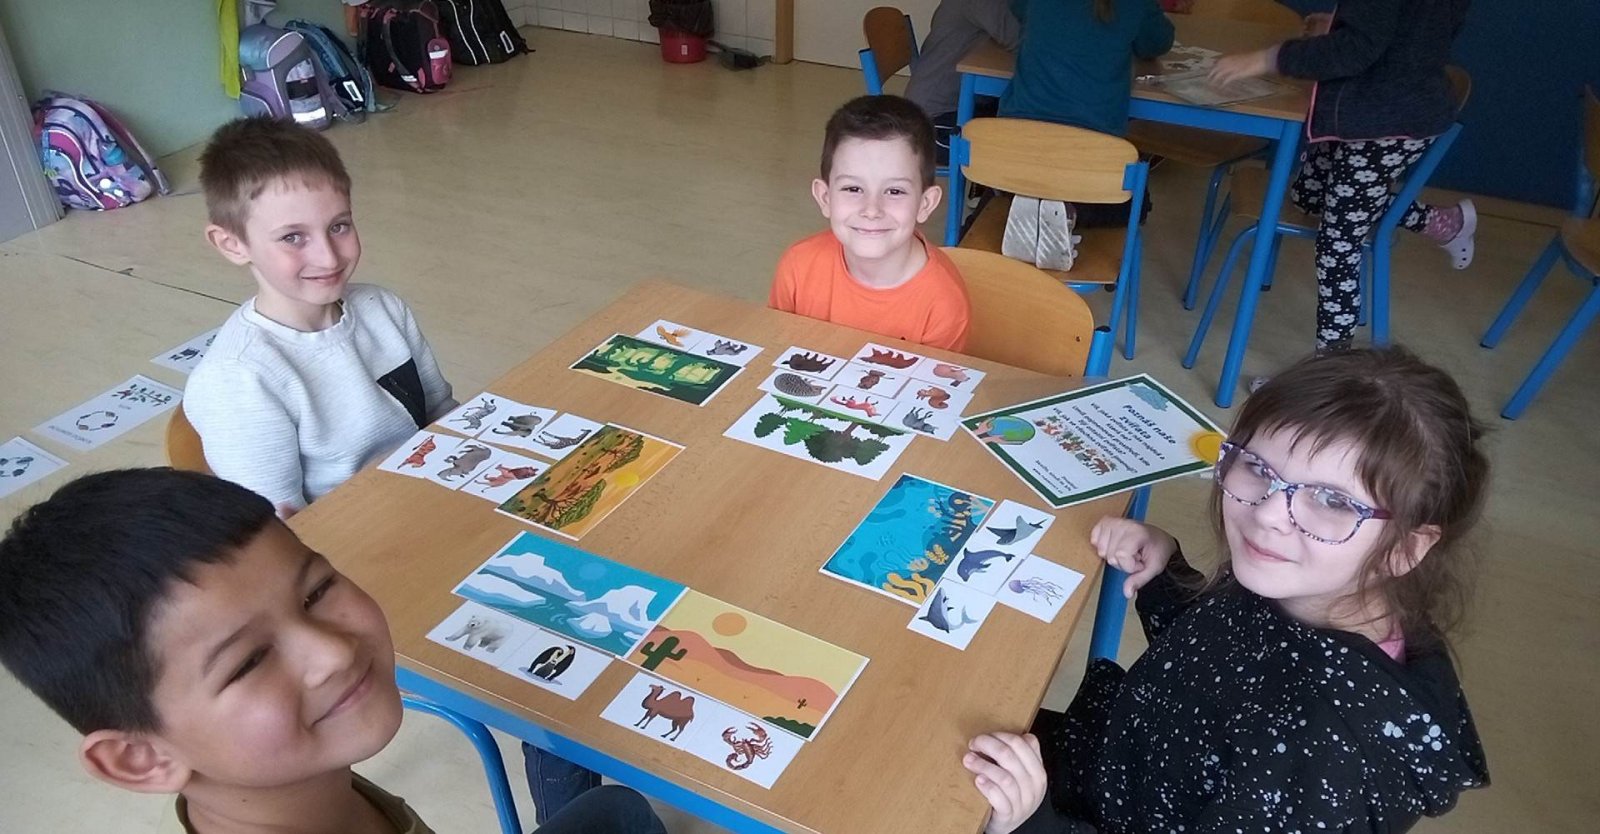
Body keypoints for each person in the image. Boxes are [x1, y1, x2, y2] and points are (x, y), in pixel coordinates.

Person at [963, 347, 1491, 833]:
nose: (1269, 514)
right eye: (1258, 468)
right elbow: (1221, 657)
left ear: (1406, 549)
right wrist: (1167, 572)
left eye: (1333, 501)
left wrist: (1032, 823)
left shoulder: (1322, 761)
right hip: (1111, 767)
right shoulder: (1305, 584)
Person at [0, 468, 668, 834]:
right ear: (141, 759)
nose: (332, 653)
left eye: (317, 590)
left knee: (618, 812)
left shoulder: (299, 788)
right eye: (249, 661)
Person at [185, 116, 456, 515]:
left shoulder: (382, 307)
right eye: (292, 237)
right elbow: (281, 529)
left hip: (434, 501)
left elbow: (443, 414)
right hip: (354, 537)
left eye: (339, 226)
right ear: (232, 244)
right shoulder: (238, 380)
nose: (328, 257)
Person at [1210, 0, 1475, 354]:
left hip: (1383, 121)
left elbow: (1357, 50)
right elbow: (1406, 26)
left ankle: (1332, 370)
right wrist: (1345, 25)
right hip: (1370, 108)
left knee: (1337, 246)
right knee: (1308, 196)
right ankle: (1438, 221)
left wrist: (1268, 58)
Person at [770, 94, 971, 351]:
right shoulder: (797, 267)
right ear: (825, 198)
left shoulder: (944, 302)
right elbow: (776, 353)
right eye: (853, 188)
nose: (872, 210)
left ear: (925, 204)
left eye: (895, 191)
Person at [902, 0, 1021, 165]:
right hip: (931, 128)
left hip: (944, 110)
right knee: (1015, 149)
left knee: (1014, 120)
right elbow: (1022, 40)